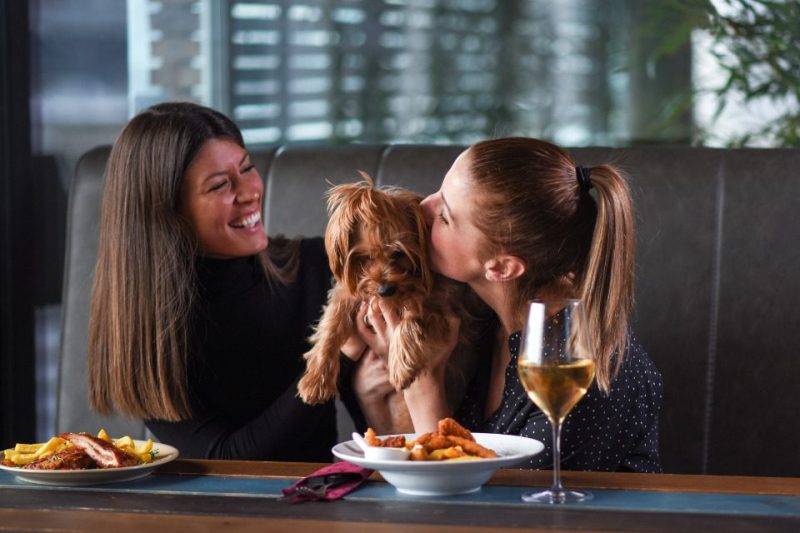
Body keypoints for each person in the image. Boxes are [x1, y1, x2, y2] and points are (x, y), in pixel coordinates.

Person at [362, 137, 663, 473]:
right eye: (439, 191)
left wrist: (422, 385)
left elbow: (491, 513)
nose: (422, 209)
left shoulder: (587, 380)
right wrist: (373, 394)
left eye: (445, 216)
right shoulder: (473, 319)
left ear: (502, 268)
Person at [87, 102, 368, 460]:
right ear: (168, 213)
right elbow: (224, 461)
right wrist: (337, 354)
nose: (249, 191)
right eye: (220, 185)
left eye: (247, 168)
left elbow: (385, 424)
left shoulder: (320, 267)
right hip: (208, 508)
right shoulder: (144, 329)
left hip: (321, 502)